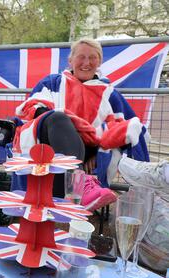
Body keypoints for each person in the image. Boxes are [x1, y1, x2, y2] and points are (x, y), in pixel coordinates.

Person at [9, 38, 149, 211]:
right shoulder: (52, 83)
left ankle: (77, 192)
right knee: (57, 118)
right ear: (70, 60)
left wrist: (93, 150)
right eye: (81, 57)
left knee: (125, 130)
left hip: (89, 156)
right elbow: (31, 109)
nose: (86, 63)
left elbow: (123, 128)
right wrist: (81, 141)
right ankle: (79, 184)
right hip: (48, 146)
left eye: (93, 58)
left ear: (99, 62)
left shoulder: (110, 94)